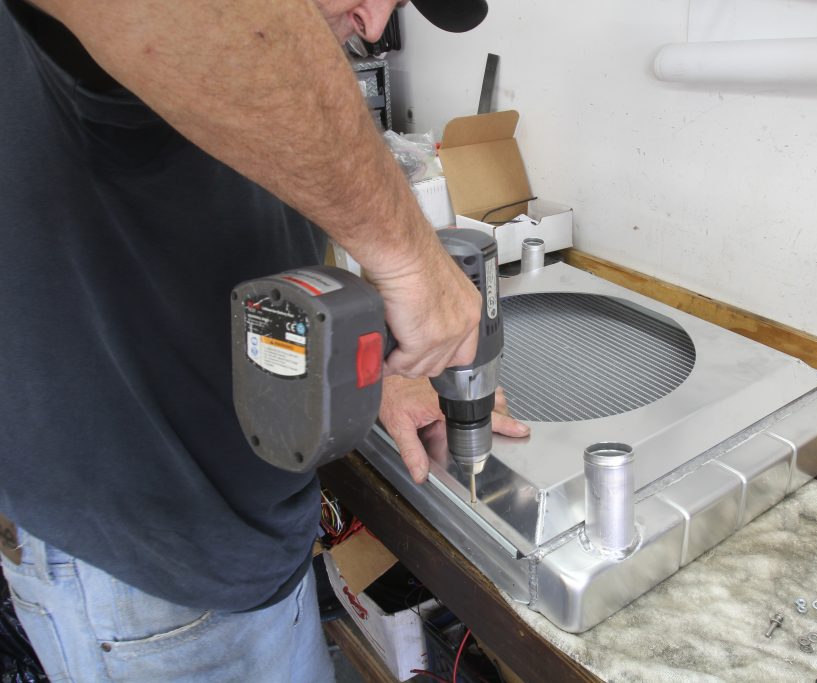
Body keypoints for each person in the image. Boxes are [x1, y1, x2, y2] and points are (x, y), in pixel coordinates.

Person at [0, 0, 529, 680]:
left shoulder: (257, 89)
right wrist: (407, 256)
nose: (373, 25)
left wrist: (375, 364)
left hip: (235, 549)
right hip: (159, 579)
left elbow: (253, 230)